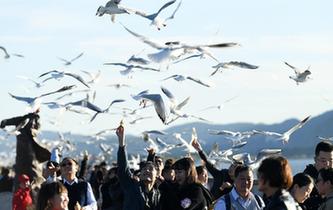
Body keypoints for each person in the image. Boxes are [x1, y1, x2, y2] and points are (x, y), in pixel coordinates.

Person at [0, 111, 51, 191]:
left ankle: (34, 195)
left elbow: (37, 128)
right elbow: (8, 121)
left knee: (32, 176)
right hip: (24, 154)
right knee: (23, 175)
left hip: (31, 155)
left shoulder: (34, 119)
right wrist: (4, 122)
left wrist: (4, 123)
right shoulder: (23, 119)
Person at [116, 122, 160, 210]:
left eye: (151, 169)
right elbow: (123, 167)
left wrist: (151, 156)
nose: (147, 171)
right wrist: (122, 143)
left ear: (157, 176)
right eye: (144, 169)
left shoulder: (158, 195)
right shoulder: (131, 186)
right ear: (140, 173)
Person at [303, 141, 333, 210]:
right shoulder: (306, 179)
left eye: (331, 160)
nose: (327, 164)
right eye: (323, 161)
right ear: (315, 160)